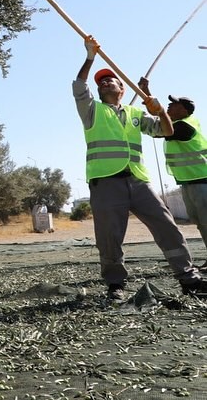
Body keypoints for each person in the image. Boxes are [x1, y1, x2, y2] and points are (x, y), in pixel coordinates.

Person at [75, 36, 207, 301]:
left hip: (139, 181)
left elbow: (166, 130)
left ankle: (188, 279)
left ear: (122, 88)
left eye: (110, 79)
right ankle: (115, 285)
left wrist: (159, 110)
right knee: (109, 237)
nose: (104, 82)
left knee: (167, 226)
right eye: (101, 82)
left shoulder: (136, 115)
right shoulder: (92, 111)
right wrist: (90, 57)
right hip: (106, 182)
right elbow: (79, 85)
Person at [137, 82, 207, 268]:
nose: (169, 106)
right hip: (188, 181)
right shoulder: (177, 122)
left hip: (202, 180)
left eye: (174, 104)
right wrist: (146, 94)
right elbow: (159, 117)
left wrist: (150, 99)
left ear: (184, 110)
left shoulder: (187, 125)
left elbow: (162, 127)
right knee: (200, 222)